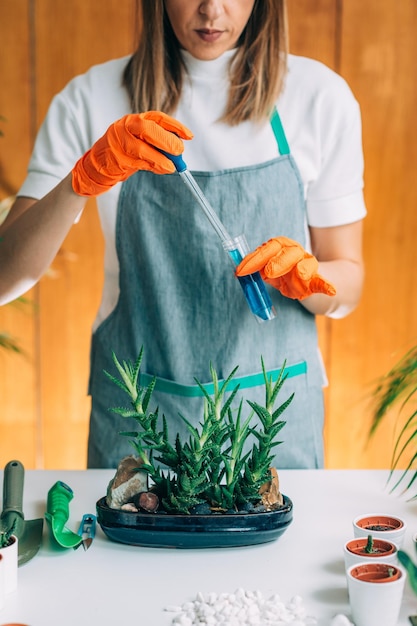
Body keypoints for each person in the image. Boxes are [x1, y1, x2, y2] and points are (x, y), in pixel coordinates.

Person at [0, 0, 365, 469]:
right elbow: (5, 276)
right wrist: (80, 180)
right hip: (142, 423)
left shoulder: (320, 97)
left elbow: (349, 283)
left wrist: (311, 283)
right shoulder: (89, 99)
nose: (211, 9)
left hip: (273, 429)